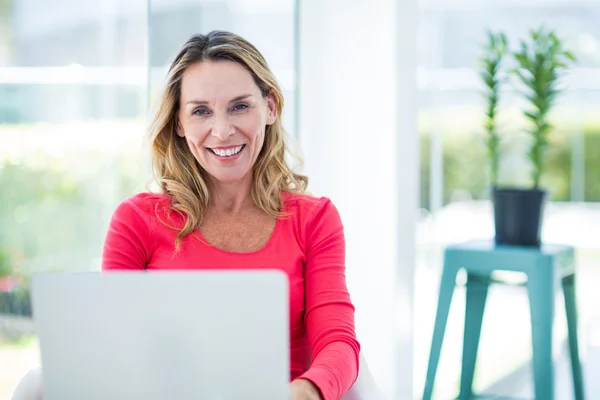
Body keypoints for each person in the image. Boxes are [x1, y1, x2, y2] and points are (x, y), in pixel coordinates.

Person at [101, 31, 360, 400]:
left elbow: (337, 341)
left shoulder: (314, 220)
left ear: (270, 107)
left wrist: (307, 390)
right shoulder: (135, 221)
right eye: (201, 111)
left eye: (239, 106)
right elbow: (114, 348)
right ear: (178, 122)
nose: (222, 131)